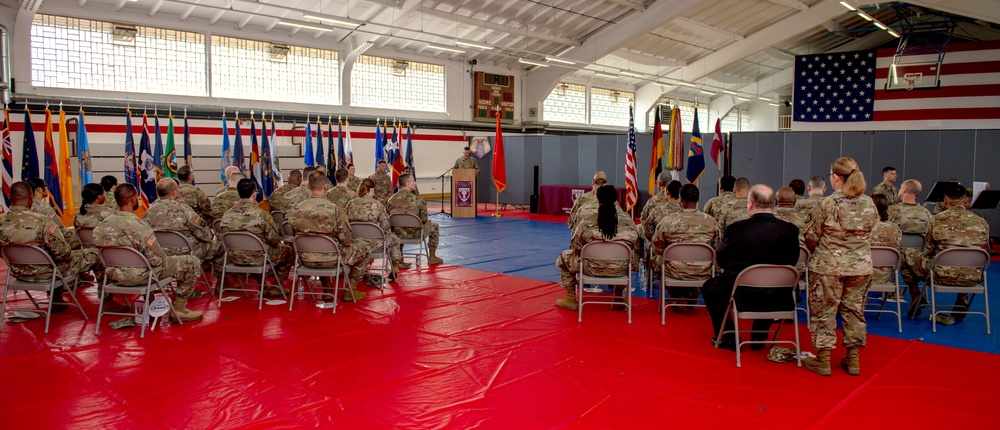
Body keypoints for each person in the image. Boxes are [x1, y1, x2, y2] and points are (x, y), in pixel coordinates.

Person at [803, 157, 877, 376]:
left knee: (824, 310)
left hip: (829, 267)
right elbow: (871, 232)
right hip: (860, 267)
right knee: (854, 310)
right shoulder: (869, 203)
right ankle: (853, 359)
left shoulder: (827, 204)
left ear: (836, 177)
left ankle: (823, 360)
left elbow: (812, 236)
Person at [702, 185, 799, 351]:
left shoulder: (735, 230)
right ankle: (759, 333)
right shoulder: (790, 230)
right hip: (780, 293)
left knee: (711, 288)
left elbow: (721, 258)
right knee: (769, 283)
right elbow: (793, 260)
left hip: (741, 291)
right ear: (774, 203)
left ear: (750, 204)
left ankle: (728, 336)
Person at [93, 183, 203, 321]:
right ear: (133, 199)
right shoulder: (140, 227)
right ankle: (179, 310)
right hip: (142, 276)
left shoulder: (101, 227)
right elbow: (156, 260)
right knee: (192, 262)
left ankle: (149, 304)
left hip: (115, 277)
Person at [0, 182, 102, 313]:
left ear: (9, 197)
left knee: (52, 259)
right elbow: (63, 253)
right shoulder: (42, 222)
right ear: (31, 197)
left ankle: (56, 298)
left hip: (19, 273)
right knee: (95, 254)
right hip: (47, 273)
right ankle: (107, 301)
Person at [286, 171, 373, 302]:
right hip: (332, 258)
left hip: (304, 258)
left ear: (308, 186)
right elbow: (346, 240)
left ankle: (327, 288)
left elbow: (294, 235)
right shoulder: (334, 209)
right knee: (365, 249)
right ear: (326, 187)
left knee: (321, 248)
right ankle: (351, 290)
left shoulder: (296, 209)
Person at [554, 185, 640, 311]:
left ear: (597, 199)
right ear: (616, 199)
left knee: (562, 258)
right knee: (627, 257)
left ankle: (571, 298)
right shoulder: (628, 220)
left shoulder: (587, 222)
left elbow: (575, 246)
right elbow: (634, 242)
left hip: (590, 268)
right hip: (620, 268)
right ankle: (617, 297)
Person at [922, 183, 990, 325]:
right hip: (973, 277)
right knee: (967, 258)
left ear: (945, 201)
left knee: (909, 255)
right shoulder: (982, 222)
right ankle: (962, 298)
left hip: (941, 276)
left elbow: (928, 250)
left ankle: (916, 294)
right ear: (966, 201)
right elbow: (984, 249)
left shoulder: (936, 220)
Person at [143, 178, 224, 291]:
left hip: (161, 254)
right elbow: (204, 234)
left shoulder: (148, 212)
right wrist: (209, 237)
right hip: (188, 251)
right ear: (174, 192)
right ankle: (222, 285)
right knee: (220, 248)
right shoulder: (184, 210)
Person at [651, 184, 721, 311]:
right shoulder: (711, 222)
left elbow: (658, 249)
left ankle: (678, 296)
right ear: (697, 200)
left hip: (674, 271)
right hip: (703, 271)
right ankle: (691, 295)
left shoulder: (667, 221)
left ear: (681, 199)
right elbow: (718, 248)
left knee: (656, 260)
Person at [220, 179, 294, 295]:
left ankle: (262, 285)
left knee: (258, 250)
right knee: (289, 251)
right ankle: (276, 286)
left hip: (234, 257)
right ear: (254, 194)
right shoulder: (261, 214)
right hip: (259, 257)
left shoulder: (226, 215)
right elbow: (274, 239)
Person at [887, 179, 933, 314]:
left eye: (901, 187)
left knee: (904, 254)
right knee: (909, 254)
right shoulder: (926, 213)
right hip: (921, 256)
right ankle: (916, 293)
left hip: (896, 255)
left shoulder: (893, 211)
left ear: (905, 190)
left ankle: (915, 293)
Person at [347, 178, 409, 277]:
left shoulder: (351, 203)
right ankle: (395, 269)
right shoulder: (377, 204)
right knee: (395, 239)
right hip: (372, 243)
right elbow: (385, 225)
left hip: (355, 243)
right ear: (371, 190)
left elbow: (346, 223)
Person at [387, 173, 443, 265]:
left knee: (398, 226)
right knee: (435, 226)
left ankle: (399, 258)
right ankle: (432, 256)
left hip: (397, 234)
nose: (415, 183)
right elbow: (424, 219)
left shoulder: (391, 200)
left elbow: (390, 216)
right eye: (413, 181)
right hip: (415, 233)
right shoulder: (418, 200)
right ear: (407, 184)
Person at [25, 177, 82, 250]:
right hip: (49, 247)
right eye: (46, 186)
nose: (47, 189)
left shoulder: (24, 206)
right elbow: (60, 229)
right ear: (39, 189)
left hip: (32, 248)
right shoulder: (45, 209)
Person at [869, 194, 902, 286]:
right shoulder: (894, 228)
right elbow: (897, 249)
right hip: (883, 277)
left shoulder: (862, 227)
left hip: (860, 276)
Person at [641, 176, 681, 241]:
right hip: (682, 247)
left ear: (667, 192)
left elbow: (648, 232)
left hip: (660, 247)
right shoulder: (686, 211)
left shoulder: (657, 210)